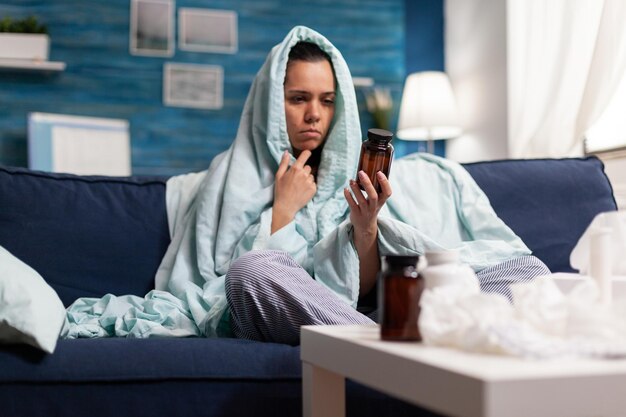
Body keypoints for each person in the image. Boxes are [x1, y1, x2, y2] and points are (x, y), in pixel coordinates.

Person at [63, 26, 550, 343]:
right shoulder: (228, 177)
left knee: (524, 271)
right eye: (298, 98)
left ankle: (384, 347)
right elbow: (213, 289)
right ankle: (389, 354)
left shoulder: (354, 175)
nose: (314, 113)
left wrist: (365, 227)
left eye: (326, 99)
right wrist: (282, 212)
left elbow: (363, 289)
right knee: (251, 272)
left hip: (367, 315)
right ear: (273, 104)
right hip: (295, 314)